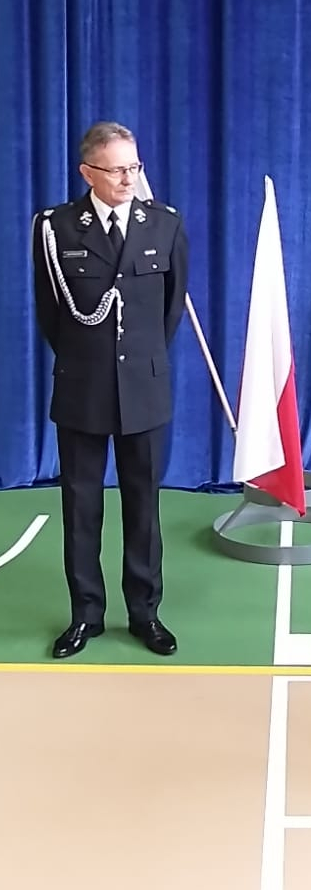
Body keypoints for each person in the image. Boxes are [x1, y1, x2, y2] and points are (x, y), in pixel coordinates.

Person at [32, 121, 189, 659]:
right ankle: (85, 615)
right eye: (117, 169)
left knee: (143, 506)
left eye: (134, 167)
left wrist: (139, 363)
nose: (129, 178)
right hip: (82, 387)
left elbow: (169, 311)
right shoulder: (55, 228)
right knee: (81, 506)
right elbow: (51, 312)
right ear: (88, 172)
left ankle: (145, 614)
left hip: (143, 387)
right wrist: (89, 361)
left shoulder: (163, 224)